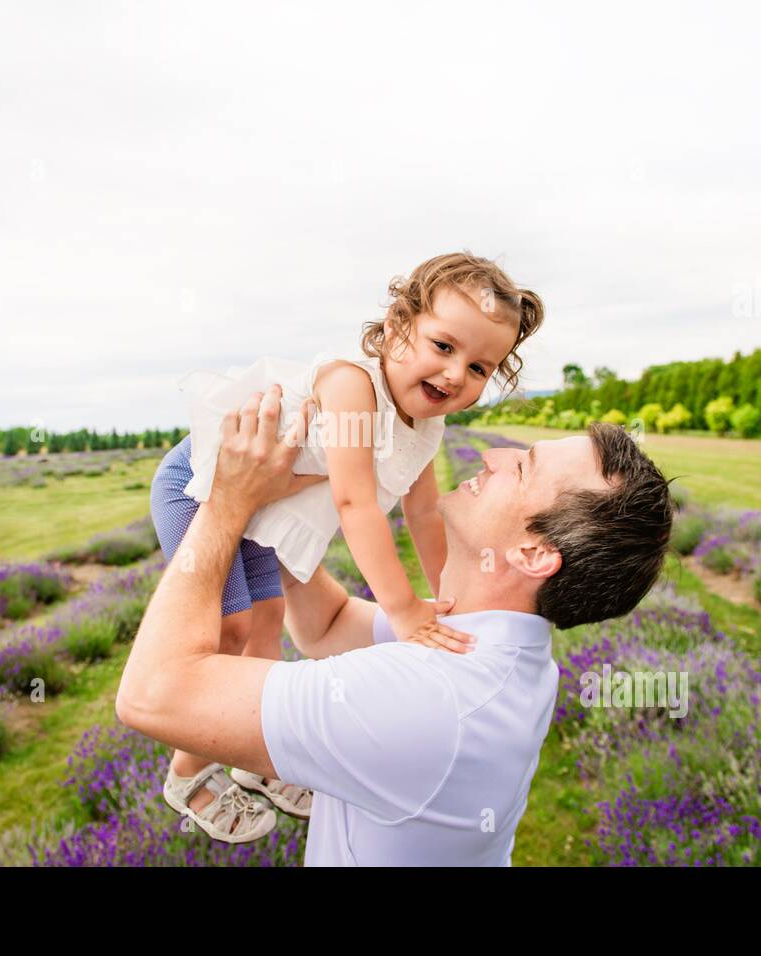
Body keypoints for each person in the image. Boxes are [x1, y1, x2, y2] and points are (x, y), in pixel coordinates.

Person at [116, 386, 674, 865]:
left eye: (522, 466)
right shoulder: (487, 643)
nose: (493, 455)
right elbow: (329, 625)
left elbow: (152, 696)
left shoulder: (428, 699)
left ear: (533, 553)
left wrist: (225, 505)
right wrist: (283, 494)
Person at [148, 251, 543, 840]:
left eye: (481, 367)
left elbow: (424, 515)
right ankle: (185, 775)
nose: (457, 374)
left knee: (267, 623)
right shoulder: (350, 385)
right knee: (228, 633)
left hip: (264, 514)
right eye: (443, 346)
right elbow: (355, 503)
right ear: (396, 327)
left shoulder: (426, 425)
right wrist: (405, 613)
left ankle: (252, 761)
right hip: (203, 489)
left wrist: (452, 602)